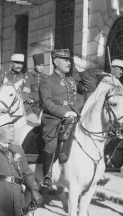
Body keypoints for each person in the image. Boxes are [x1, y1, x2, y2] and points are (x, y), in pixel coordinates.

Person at [38, 48, 83, 189]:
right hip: (54, 119)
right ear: (55, 61)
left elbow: (88, 86)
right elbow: (47, 103)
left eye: (69, 60)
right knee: (51, 144)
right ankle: (47, 175)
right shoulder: (47, 80)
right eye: (65, 60)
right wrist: (64, 113)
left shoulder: (71, 80)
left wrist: (82, 70)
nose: (68, 62)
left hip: (74, 116)